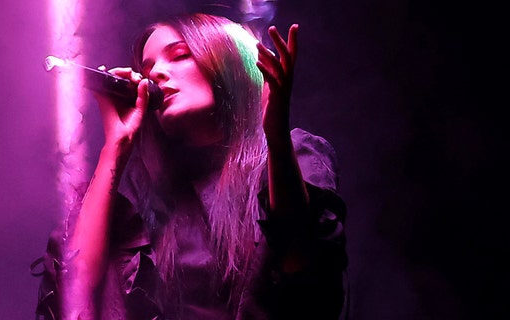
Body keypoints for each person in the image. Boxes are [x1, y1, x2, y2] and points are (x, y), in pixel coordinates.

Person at [32, 12, 348, 320]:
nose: (155, 73)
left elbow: (304, 270)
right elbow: (74, 297)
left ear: (227, 67)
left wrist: (276, 135)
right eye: (147, 67)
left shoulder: (292, 155)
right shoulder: (142, 205)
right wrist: (115, 146)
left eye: (179, 56)